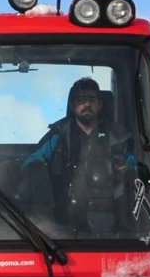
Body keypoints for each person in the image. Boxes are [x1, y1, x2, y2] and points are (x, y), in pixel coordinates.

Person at [19, 77, 135, 233]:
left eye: (91, 99)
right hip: (61, 220)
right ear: (72, 105)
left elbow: (135, 167)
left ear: (100, 104)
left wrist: (125, 170)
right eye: (80, 100)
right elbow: (31, 162)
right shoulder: (58, 135)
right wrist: (43, 169)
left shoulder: (117, 136)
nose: (86, 104)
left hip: (111, 217)